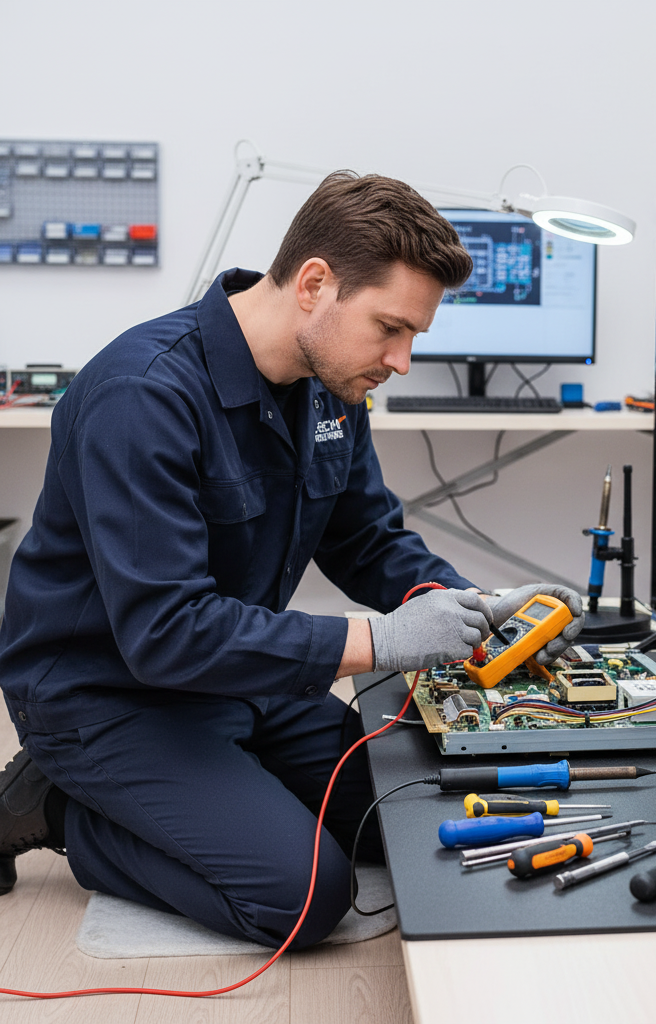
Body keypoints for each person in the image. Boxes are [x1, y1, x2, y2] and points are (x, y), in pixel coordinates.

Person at [0, 171, 583, 949]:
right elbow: (167, 631)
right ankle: (53, 806)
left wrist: (473, 603)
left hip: (238, 679)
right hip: (105, 696)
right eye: (390, 328)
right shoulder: (142, 394)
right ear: (315, 284)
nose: (402, 359)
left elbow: (366, 538)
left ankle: (218, 790)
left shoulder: (330, 387)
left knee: (406, 822)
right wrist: (380, 641)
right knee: (304, 896)